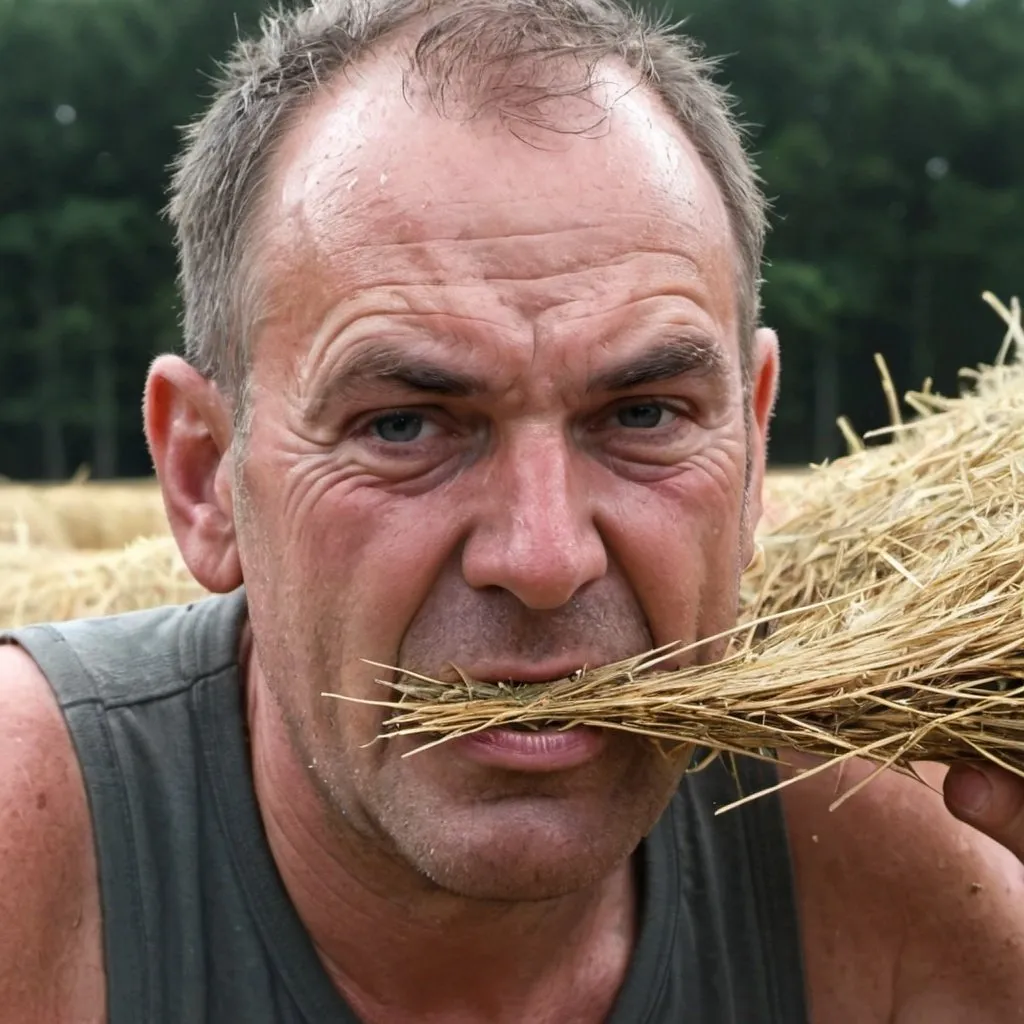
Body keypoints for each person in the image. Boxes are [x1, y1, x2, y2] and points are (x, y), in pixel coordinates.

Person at [2, 1, 1024, 1021]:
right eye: (404, 426)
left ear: (753, 453)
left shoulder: (895, 840)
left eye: (641, 414)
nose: (543, 556)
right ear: (205, 475)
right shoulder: (34, 840)